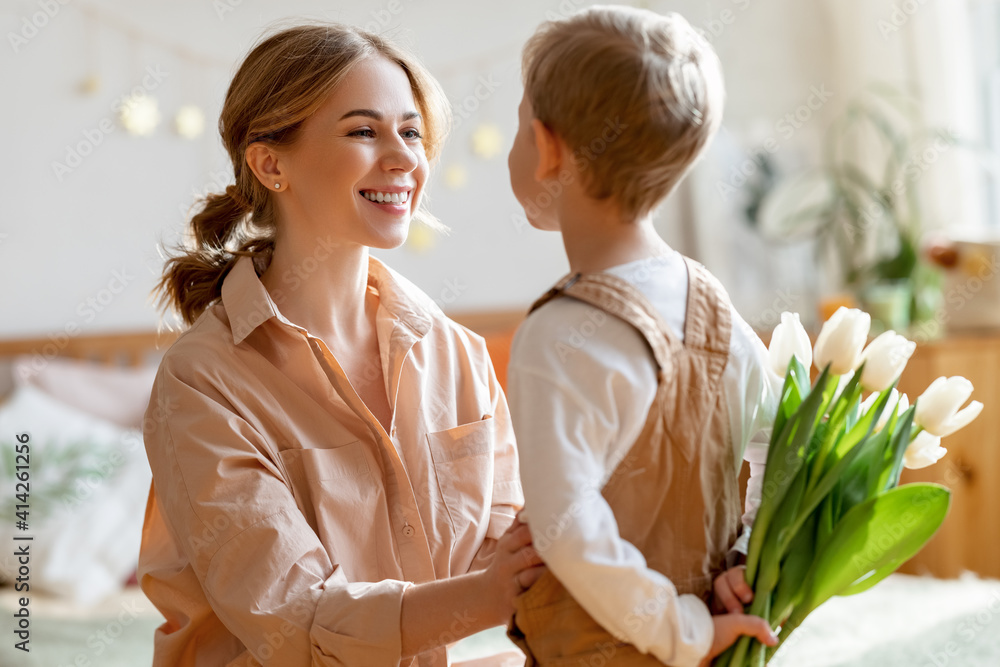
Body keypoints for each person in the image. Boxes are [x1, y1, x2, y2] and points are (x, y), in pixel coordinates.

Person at [138, 23, 542, 667]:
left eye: (411, 132)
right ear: (271, 163)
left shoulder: (458, 355)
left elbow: (508, 553)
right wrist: (492, 597)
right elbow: (296, 620)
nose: (405, 158)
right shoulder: (202, 381)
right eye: (363, 131)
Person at [503, 6, 782, 666]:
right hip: (710, 638)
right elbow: (782, 441)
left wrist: (679, 629)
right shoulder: (715, 309)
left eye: (518, 125)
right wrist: (745, 556)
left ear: (547, 148)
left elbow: (568, 528)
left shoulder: (561, 333)